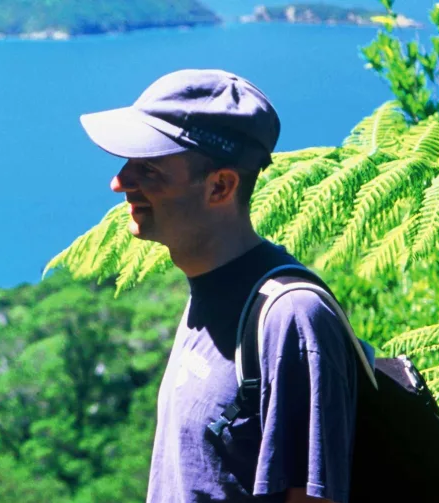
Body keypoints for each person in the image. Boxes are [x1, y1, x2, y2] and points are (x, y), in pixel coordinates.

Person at [77, 69, 359, 503]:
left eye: (147, 169)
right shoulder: (207, 287)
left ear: (220, 186)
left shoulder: (290, 319)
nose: (120, 182)